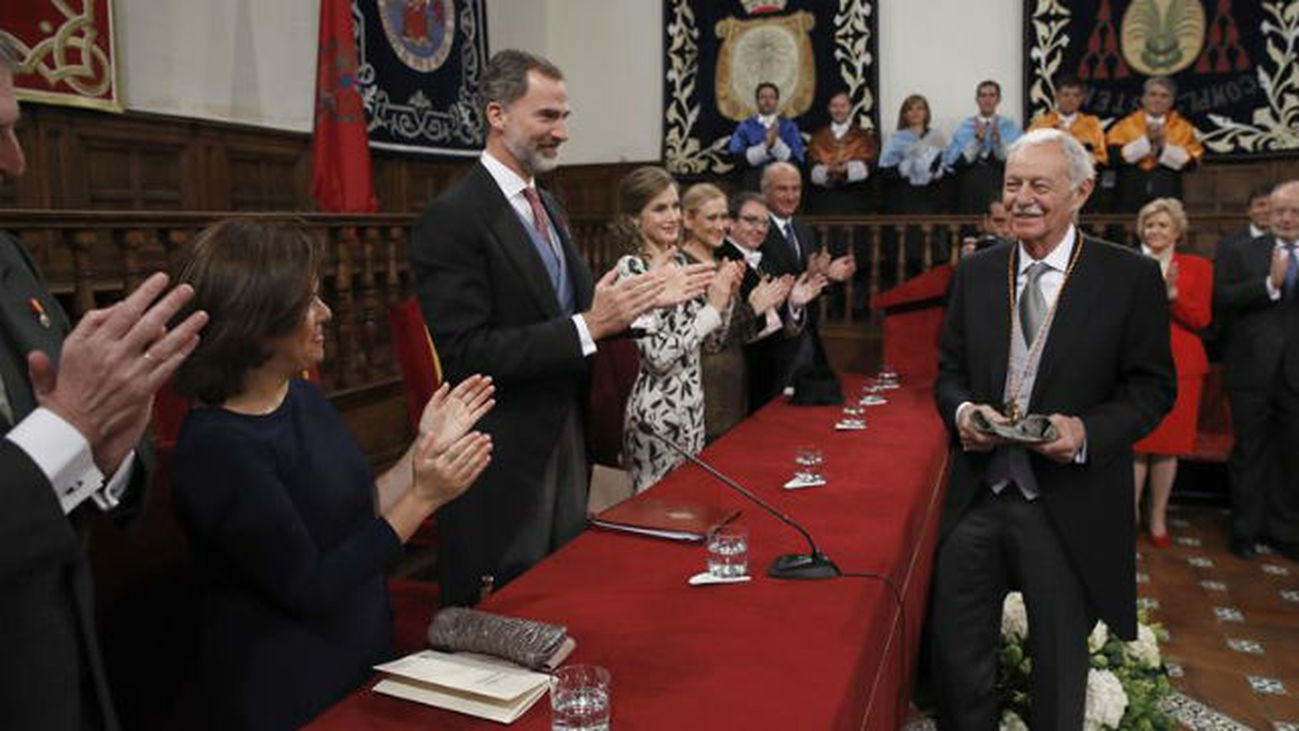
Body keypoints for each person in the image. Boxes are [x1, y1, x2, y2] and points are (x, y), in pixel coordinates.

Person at [410, 50, 711, 605]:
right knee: (509, 607)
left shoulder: (547, 204)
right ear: (497, 114)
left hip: (566, 432)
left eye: (565, 117)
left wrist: (641, 304)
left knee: (562, 594)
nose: (563, 132)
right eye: (547, 117)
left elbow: (578, 312)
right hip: (502, 447)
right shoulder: (452, 217)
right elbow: (467, 351)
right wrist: (590, 324)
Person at [167, 220, 493, 729]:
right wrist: (424, 498)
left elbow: (359, 511)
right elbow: (312, 587)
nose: (326, 313)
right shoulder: (216, 448)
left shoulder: (301, 397)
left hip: (360, 652)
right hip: (291, 687)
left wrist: (422, 449)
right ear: (258, 321)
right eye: (308, 302)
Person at [932, 128, 1175, 728]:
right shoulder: (976, 274)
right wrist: (966, 414)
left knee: (1060, 670)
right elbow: (949, 375)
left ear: (1081, 191)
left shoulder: (1129, 279)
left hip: (1067, 505)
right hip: (979, 499)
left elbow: (1152, 390)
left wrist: (1086, 433)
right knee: (957, 660)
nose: (1022, 198)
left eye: (1040, 185)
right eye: (1013, 184)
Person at [0, 37, 209, 731]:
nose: (16, 163)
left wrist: (108, 447)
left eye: (14, 131)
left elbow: (79, 438)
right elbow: (57, 427)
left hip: (58, 663)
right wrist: (67, 430)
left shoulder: (8, 255)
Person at [616, 169, 743, 491]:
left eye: (674, 206)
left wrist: (723, 298)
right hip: (656, 417)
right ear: (634, 219)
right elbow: (656, 355)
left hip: (693, 411)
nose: (672, 217)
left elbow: (711, 342)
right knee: (651, 516)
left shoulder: (684, 265)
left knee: (687, 507)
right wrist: (711, 309)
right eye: (660, 209)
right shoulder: (632, 269)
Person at [1214, 180, 1299, 561]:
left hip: (1295, 375)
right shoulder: (1241, 251)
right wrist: (1269, 284)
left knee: (1291, 456)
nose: (1285, 217)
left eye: (1295, 211)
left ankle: (1283, 531)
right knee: (1249, 453)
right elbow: (1223, 298)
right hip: (1250, 372)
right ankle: (1245, 531)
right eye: (1279, 210)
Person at [1131, 198, 1213, 548]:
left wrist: (1174, 294)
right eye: (1150, 225)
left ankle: (1158, 516)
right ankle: (1129, 514)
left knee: (1168, 447)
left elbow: (1201, 320)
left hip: (1183, 367)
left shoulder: (1197, 266)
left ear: (1177, 230)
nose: (1155, 231)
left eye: (1163, 225)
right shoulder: (1129, 263)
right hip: (1135, 364)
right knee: (1136, 444)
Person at [682, 185, 792, 441]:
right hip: (702, 394)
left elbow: (741, 333)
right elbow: (709, 341)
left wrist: (764, 307)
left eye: (723, 217)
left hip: (734, 388)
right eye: (712, 218)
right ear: (687, 219)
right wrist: (754, 307)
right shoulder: (682, 266)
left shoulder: (724, 264)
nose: (721, 226)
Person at [758, 162, 847, 404]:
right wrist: (808, 276)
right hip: (772, 348)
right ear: (765, 191)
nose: (790, 196)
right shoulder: (757, 230)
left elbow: (809, 279)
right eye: (782, 189)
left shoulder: (801, 227)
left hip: (806, 338)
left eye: (796, 189)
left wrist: (828, 275)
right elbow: (768, 283)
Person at [1106, 76, 1204, 212]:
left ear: (1171, 101)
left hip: (1167, 193)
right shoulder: (1125, 125)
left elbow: (1191, 163)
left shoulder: (1183, 128)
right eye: (1152, 95)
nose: (1157, 100)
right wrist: (1147, 141)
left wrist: (1163, 147)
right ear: (1143, 99)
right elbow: (1114, 157)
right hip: (1129, 194)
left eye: (1164, 96)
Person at [943, 80, 1022, 214]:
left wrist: (998, 140)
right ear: (977, 100)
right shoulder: (964, 127)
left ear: (998, 99)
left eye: (992, 95)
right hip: (971, 186)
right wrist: (977, 140)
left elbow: (1016, 160)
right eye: (983, 95)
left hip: (999, 184)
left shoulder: (1010, 126)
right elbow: (953, 162)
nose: (987, 100)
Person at [806, 89, 877, 214]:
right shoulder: (818, 137)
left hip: (854, 201)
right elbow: (812, 168)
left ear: (850, 108)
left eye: (843, 106)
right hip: (825, 202)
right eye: (835, 106)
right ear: (829, 108)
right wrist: (828, 170)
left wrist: (846, 170)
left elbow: (869, 166)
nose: (839, 110)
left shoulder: (862, 136)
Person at [728, 82, 805, 191]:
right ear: (757, 101)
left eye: (771, 97)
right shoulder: (745, 126)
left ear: (777, 101)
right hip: (753, 183)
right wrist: (765, 147)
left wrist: (775, 145)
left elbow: (797, 161)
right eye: (763, 97)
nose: (767, 101)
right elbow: (736, 158)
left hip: (782, 185)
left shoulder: (789, 127)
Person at [1028, 76, 1108, 167]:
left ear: (1082, 98)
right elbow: (1029, 153)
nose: (1071, 99)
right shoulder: (1041, 124)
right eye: (1066, 95)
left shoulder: (1092, 124)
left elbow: (1102, 157)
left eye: (1076, 95)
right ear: (1056, 97)